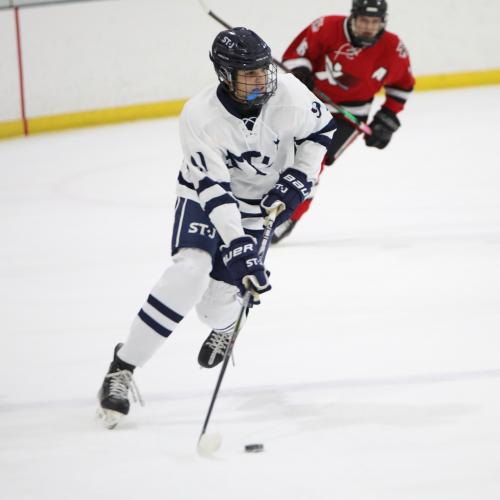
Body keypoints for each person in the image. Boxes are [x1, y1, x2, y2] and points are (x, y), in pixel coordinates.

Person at [96, 27, 336, 429]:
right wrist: (238, 244)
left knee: (214, 307)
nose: (261, 80)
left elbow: (322, 131)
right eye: (249, 74)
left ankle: (228, 325)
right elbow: (215, 191)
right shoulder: (200, 115)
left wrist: (299, 176)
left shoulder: (290, 94)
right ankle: (123, 366)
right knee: (190, 272)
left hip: (260, 204)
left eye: (263, 70)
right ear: (225, 74)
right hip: (206, 198)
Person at [272, 0, 415, 243]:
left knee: (311, 163)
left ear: (383, 22)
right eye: (364, 21)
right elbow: (296, 56)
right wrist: (301, 73)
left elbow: (402, 86)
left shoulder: (394, 48)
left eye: (375, 22)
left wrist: (387, 117)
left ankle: (289, 216)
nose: (369, 27)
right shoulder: (326, 27)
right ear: (353, 17)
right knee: (276, 152)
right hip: (307, 103)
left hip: (348, 117)